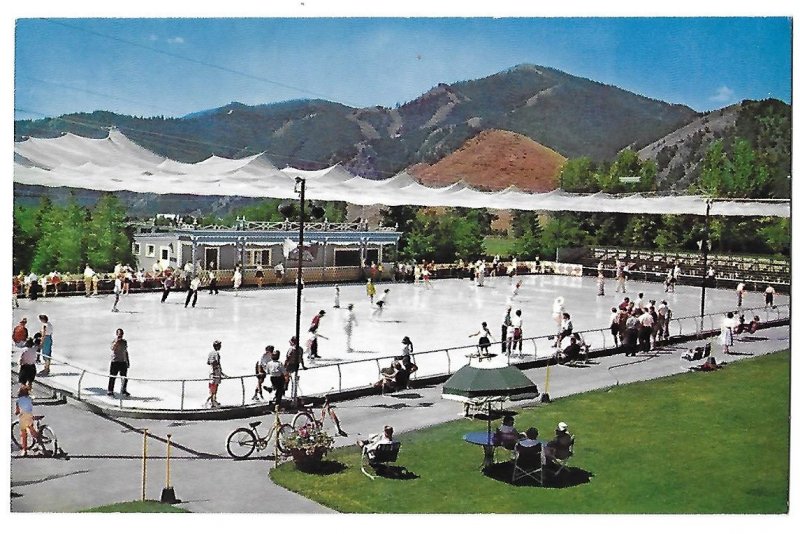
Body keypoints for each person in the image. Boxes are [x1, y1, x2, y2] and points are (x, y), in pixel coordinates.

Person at [15, 385, 40, 456]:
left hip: (23, 417)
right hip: (30, 415)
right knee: (31, 428)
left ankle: (24, 450)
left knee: (23, 434)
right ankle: (38, 437)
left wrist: (17, 412)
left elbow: (17, 411)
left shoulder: (18, 401)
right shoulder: (29, 399)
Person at [107, 328, 131, 397]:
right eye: (119, 334)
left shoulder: (124, 342)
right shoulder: (114, 341)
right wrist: (116, 341)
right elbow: (112, 348)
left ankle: (124, 390)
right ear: (116, 334)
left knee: (124, 378)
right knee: (112, 377)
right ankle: (110, 391)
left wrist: (127, 361)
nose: (120, 335)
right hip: (115, 361)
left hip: (123, 362)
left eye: (121, 334)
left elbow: (126, 351)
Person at [284, 336, 306, 401]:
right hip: (296, 365)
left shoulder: (291, 349)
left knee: (285, 379)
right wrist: (303, 366)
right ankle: (293, 393)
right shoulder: (300, 349)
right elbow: (301, 358)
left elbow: (287, 359)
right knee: (293, 379)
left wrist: (283, 367)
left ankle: (284, 391)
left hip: (290, 365)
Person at [205, 340, 225, 408]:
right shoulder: (216, 353)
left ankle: (213, 401)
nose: (220, 347)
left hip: (210, 371)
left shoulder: (210, 353)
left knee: (211, 387)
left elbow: (208, 362)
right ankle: (209, 402)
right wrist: (219, 371)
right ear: (217, 346)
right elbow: (217, 363)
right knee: (215, 387)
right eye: (219, 345)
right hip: (215, 371)